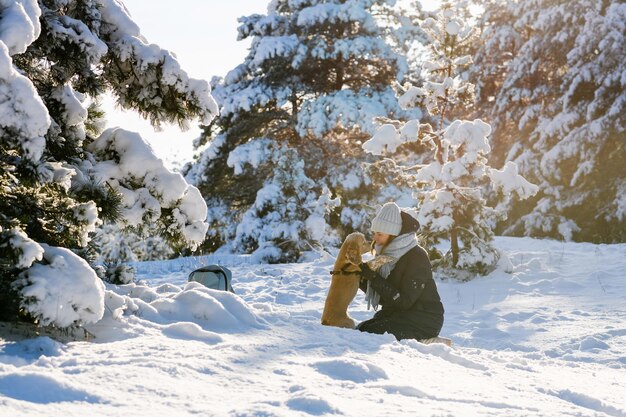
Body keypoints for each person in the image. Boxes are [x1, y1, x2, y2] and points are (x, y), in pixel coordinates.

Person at [357, 202, 444, 341]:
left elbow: (404, 301)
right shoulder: (387, 255)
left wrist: (373, 277)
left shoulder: (417, 256)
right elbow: (386, 298)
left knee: (369, 333)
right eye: (374, 233)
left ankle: (429, 342)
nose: (375, 238)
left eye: (379, 234)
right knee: (360, 329)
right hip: (400, 314)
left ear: (393, 235)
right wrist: (359, 277)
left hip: (424, 320)